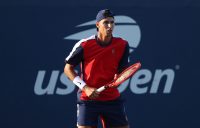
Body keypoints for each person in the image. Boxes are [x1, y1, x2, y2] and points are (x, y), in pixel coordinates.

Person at [64, 9, 130, 128]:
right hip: (88, 99)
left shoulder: (122, 44)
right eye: (106, 22)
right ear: (97, 25)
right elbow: (68, 69)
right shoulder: (84, 45)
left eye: (112, 22)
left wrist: (118, 79)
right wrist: (85, 87)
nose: (110, 26)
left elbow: (122, 72)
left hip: (111, 99)